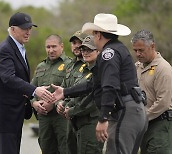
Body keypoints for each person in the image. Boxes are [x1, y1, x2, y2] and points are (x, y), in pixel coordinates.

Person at [51, 13, 148, 154]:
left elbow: (109, 86)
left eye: (93, 33)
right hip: (133, 110)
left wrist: (103, 118)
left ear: (98, 35)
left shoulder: (109, 53)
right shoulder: (116, 48)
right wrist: (65, 92)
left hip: (125, 111)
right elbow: (93, 84)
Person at [0, 12, 53, 154]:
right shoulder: (5, 50)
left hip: (15, 115)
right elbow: (8, 78)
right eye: (24, 28)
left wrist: (31, 100)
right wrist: (34, 90)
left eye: (30, 28)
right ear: (13, 29)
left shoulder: (19, 48)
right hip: (5, 117)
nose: (28, 32)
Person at [131, 29, 172, 154]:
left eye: (141, 50)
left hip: (160, 124)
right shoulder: (137, 66)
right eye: (135, 50)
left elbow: (163, 102)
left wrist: (142, 118)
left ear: (152, 46)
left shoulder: (163, 68)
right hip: (144, 125)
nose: (138, 54)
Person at [31, 34, 71, 154]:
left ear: (62, 46)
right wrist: (34, 103)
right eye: (48, 47)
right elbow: (31, 90)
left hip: (62, 117)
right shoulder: (40, 67)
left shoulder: (70, 64)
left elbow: (72, 90)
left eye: (54, 46)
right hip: (44, 119)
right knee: (46, 148)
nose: (51, 50)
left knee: (65, 148)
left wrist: (53, 104)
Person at [63, 35, 103, 154]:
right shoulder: (83, 70)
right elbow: (76, 94)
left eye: (89, 50)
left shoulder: (100, 71)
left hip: (92, 123)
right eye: (83, 50)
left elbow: (93, 101)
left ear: (98, 51)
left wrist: (71, 111)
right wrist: (67, 105)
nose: (85, 53)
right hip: (77, 123)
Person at [56, 30, 86, 154]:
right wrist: (59, 102)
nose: (77, 46)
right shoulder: (70, 65)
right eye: (74, 43)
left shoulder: (91, 64)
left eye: (80, 43)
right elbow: (63, 89)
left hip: (86, 117)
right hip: (70, 119)